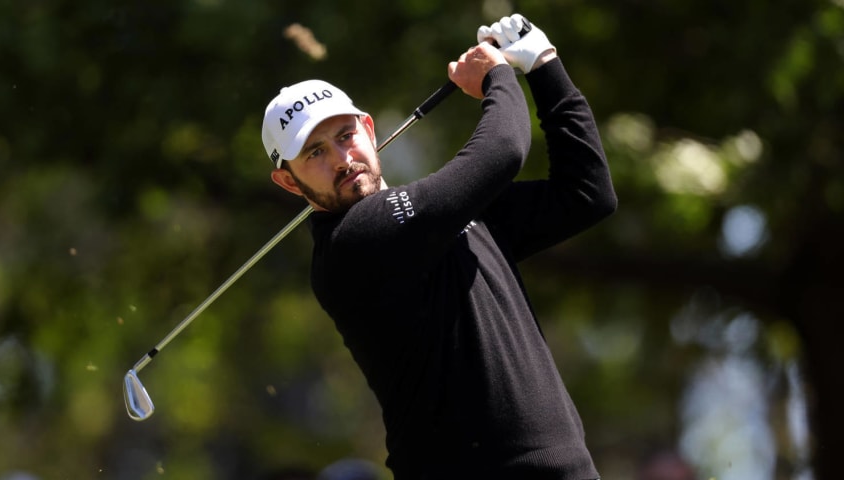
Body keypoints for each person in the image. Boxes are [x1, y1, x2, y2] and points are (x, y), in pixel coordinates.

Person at [260, 13, 616, 480]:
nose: (343, 160)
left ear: (368, 129)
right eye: (315, 153)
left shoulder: (447, 216)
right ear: (289, 181)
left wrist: (547, 68)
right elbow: (503, 150)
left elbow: (587, 194)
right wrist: (497, 75)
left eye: (345, 136)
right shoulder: (352, 244)